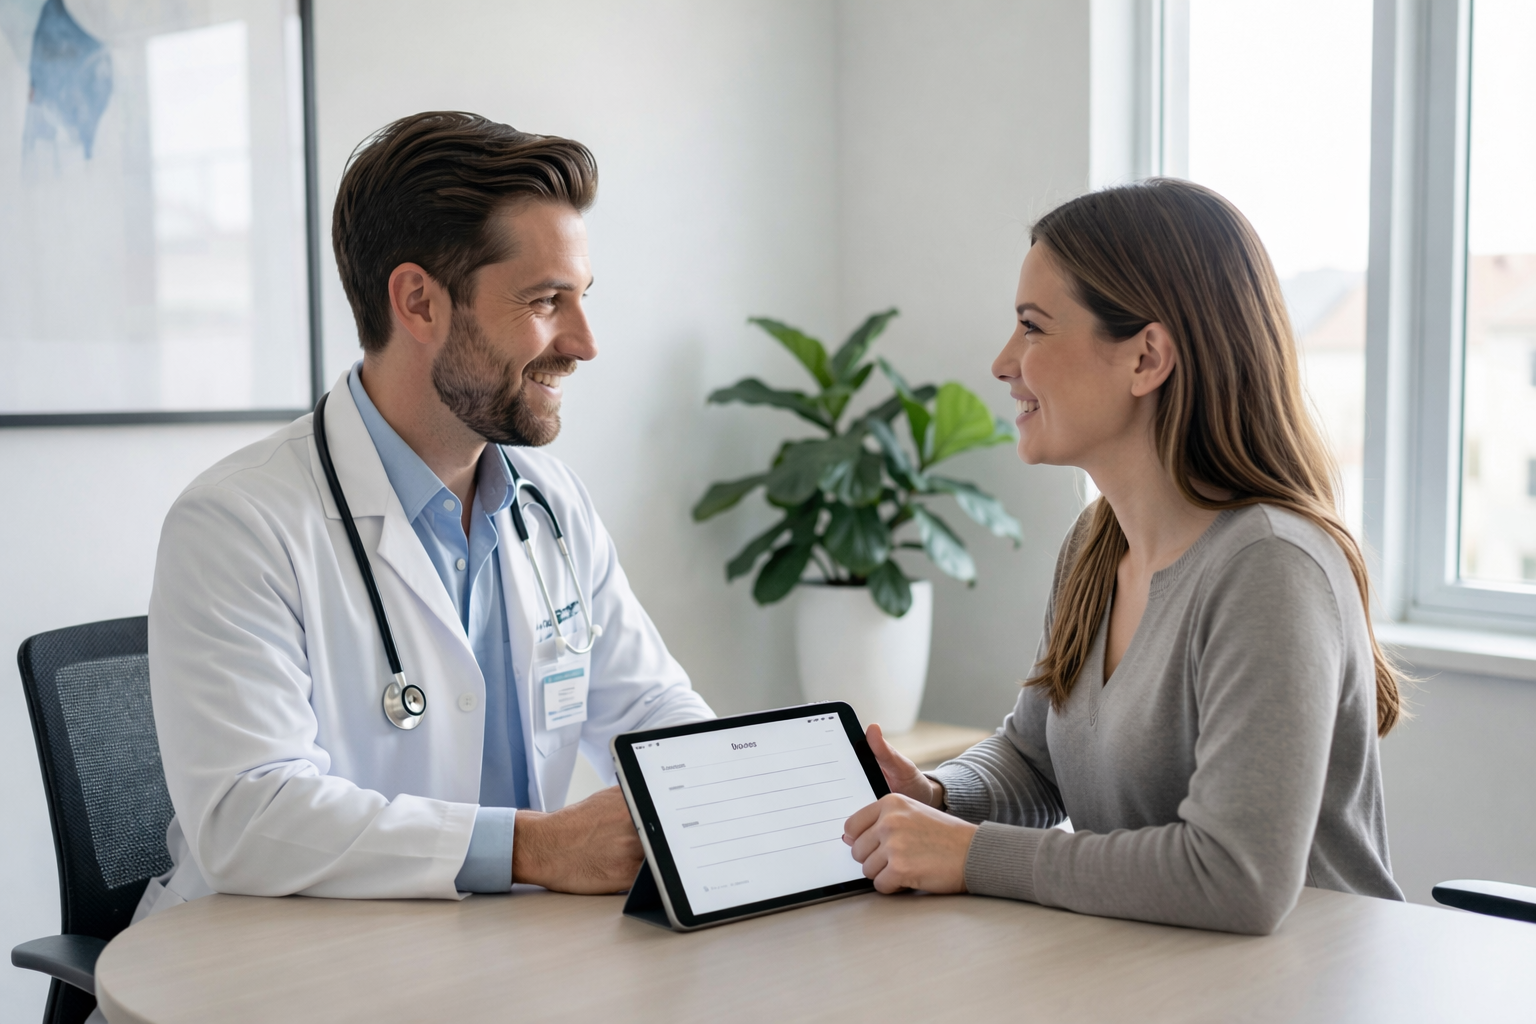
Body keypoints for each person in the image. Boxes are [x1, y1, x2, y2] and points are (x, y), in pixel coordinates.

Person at [138, 111, 713, 919]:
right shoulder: (238, 523)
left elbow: (651, 710)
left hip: (499, 955)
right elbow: (249, 815)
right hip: (278, 967)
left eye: (581, 299)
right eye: (548, 301)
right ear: (418, 302)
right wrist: (533, 847)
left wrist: (729, 793)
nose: (584, 343)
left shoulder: (551, 505)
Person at [840, 178, 1406, 935]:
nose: (1003, 362)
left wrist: (971, 854)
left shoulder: (1270, 567)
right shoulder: (1097, 544)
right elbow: (1036, 759)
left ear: (1146, 358)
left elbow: (1236, 876)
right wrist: (939, 797)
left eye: (1033, 327)